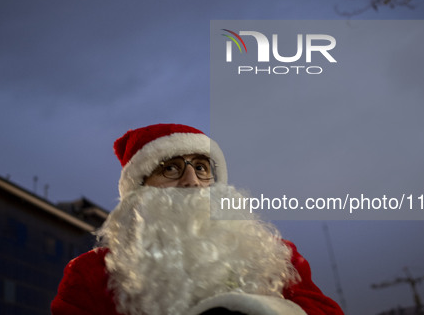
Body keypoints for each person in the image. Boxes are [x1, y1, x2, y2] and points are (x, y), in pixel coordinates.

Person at [51, 123, 344, 315]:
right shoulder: (90, 273)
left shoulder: (273, 255)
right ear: (139, 191)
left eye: (202, 168)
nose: (192, 181)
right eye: (170, 169)